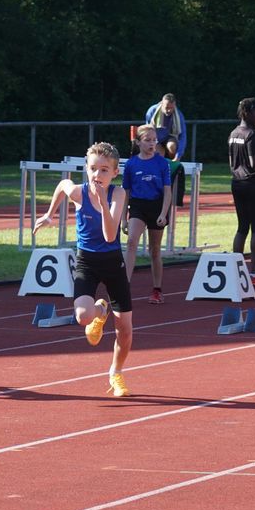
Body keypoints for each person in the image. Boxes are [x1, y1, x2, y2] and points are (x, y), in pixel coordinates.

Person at [32, 142, 133, 397]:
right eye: (93, 169)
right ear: (86, 169)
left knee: (125, 329)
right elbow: (62, 185)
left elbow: (110, 236)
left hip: (112, 263)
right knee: (82, 317)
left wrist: (102, 204)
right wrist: (50, 214)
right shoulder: (79, 192)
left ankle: (116, 372)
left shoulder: (118, 195)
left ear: (115, 173)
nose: (97, 175)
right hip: (86, 261)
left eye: (104, 170)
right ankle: (101, 310)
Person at [122, 125, 172, 303]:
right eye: (148, 140)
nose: (152, 144)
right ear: (138, 142)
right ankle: (123, 287)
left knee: (155, 250)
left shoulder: (162, 163)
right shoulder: (131, 164)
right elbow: (125, 193)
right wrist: (123, 219)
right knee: (131, 242)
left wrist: (163, 213)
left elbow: (168, 191)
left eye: (154, 140)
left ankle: (157, 290)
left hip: (157, 206)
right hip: (138, 206)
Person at [229, 98, 255, 285]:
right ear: (249, 113)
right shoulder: (252, 134)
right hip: (253, 183)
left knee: (242, 226)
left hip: (236, 182)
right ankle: (254, 274)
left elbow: (232, 161)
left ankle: (236, 271)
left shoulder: (234, 133)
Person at [143, 93, 187, 207]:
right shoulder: (152, 111)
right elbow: (147, 132)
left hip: (169, 138)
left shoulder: (178, 115)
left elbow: (183, 136)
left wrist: (178, 155)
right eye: (167, 107)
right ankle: (157, 178)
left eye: (171, 108)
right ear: (162, 104)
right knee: (157, 154)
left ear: (175, 106)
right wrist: (151, 147)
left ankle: (171, 166)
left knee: (172, 146)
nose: (169, 110)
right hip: (155, 139)